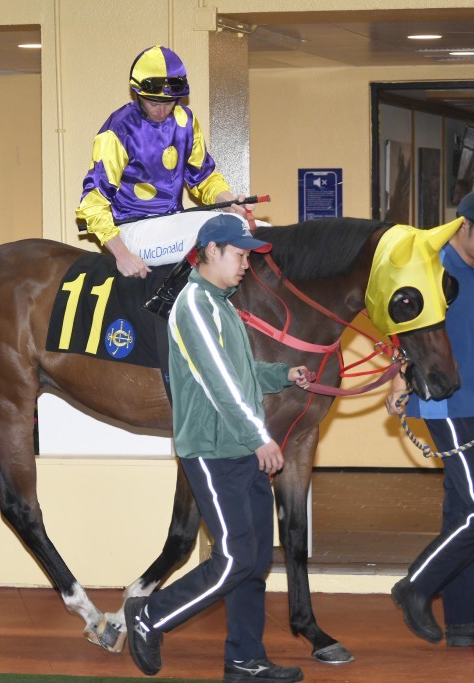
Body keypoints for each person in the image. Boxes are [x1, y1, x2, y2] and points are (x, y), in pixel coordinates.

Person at [123, 213, 308, 683]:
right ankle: (149, 615)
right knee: (233, 560)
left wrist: (282, 375)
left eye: (248, 255)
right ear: (210, 251)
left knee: (255, 562)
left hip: (239, 450)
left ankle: (245, 658)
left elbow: (240, 373)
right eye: (240, 254)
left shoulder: (222, 305)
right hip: (212, 452)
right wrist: (259, 437)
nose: (247, 264)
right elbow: (219, 382)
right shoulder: (194, 305)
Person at [385, 190, 474, 649]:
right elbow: (402, 328)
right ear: (462, 224)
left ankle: (466, 624)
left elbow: (466, 334)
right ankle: (416, 587)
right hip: (449, 406)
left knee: (465, 513)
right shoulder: (433, 268)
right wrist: (397, 381)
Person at [76, 45, 250, 317]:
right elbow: (92, 202)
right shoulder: (118, 129)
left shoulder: (185, 120)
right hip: (132, 229)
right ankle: (167, 303)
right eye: (154, 102)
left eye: (169, 102)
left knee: (251, 226)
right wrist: (122, 254)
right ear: (137, 94)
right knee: (214, 231)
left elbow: (203, 176)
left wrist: (227, 201)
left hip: (170, 224)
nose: (162, 110)